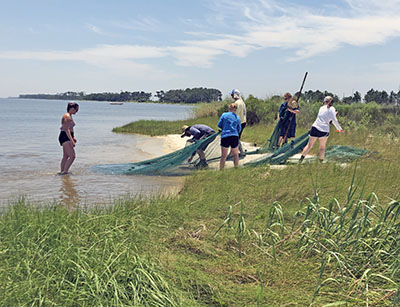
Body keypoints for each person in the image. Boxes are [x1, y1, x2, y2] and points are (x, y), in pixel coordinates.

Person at [299, 96, 344, 163]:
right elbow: (333, 120)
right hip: (324, 130)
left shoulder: (321, 108)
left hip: (315, 127)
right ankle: (320, 162)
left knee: (309, 145)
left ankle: (301, 160)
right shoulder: (332, 109)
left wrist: (332, 117)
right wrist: (339, 129)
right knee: (322, 147)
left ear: (325, 101)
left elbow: (324, 117)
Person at [217, 103, 242, 170]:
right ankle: (236, 168)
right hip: (234, 136)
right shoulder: (237, 118)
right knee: (235, 155)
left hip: (225, 136)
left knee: (224, 156)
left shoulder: (224, 115)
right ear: (235, 109)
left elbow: (219, 125)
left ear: (229, 108)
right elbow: (239, 129)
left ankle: (221, 170)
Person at [58, 102, 79, 175]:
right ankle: (65, 172)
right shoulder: (67, 116)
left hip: (66, 136)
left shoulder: (69, 115)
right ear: (72, 109)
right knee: (72, 156)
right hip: (65, 136)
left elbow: (69, 128)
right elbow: (67, 129)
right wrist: (71, 141)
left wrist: (73, 137)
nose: (77, 111)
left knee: (66, 156)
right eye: (76, 110)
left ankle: (62, 171)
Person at [230, 89, 247, 156]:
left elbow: (235, 114)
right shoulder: (242, 102)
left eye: (232, 95)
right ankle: (241, 152)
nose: (231, 96)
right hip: (243, 121)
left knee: (235, 138)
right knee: (237, 138)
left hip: (239, 123)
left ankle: (233, 153)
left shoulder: (237, 103)